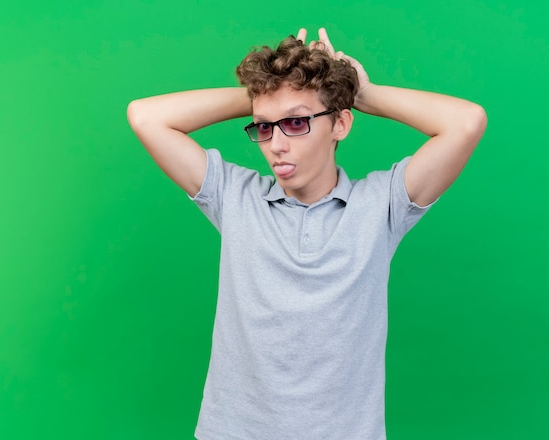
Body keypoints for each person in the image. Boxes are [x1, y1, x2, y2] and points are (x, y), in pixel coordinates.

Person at [127, 27, 486, 440]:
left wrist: (361, 92)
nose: (276, 144)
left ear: (341, 124)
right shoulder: (235, 197)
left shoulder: (380, 206)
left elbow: (466, 122)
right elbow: (145, 116)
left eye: (296, 122)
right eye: (263, 127)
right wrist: (266, 95)